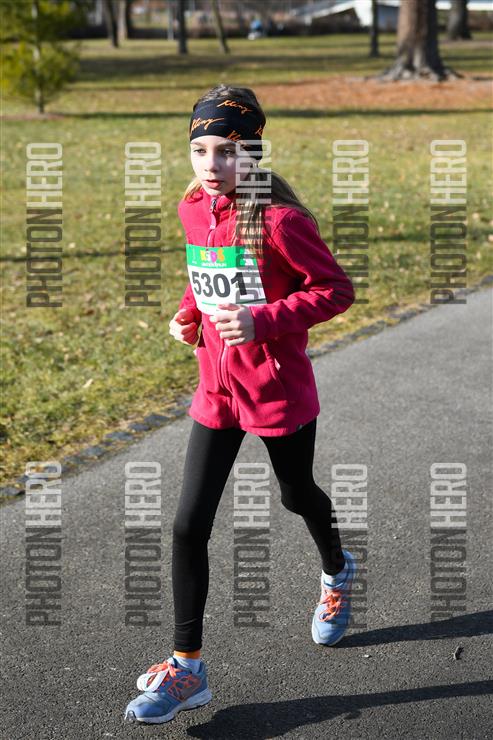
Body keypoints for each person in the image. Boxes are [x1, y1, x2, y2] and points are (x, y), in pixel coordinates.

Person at [125, 84, 357, 725]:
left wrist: (262, 320)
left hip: (277, 388)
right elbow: (204, 276)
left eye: (227, 151)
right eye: (200, 149)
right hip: (216, 390)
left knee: (296, 495)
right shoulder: (193, 207)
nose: (212, 164)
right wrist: (188, 315)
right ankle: (188, 668)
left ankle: (336, 571)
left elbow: (335, 290)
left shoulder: (281, 221)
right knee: (187, 524)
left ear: (253, 153)